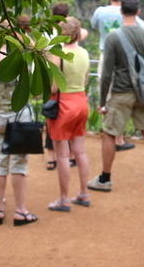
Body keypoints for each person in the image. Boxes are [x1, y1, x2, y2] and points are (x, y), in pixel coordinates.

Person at [88, 0, 144, 192]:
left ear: (121, 12)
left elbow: (107, 73)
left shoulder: (114, 37)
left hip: (121, 93)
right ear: (139, 12)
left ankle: (105, 178)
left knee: (110, 134)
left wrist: (102, 102)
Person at [0, 21, 38, 227]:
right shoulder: (19, 59)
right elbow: (35, 90)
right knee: (18, 164)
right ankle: (20, 211)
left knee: (0, 163)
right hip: (19, 118)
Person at [46, 17, 92, 211]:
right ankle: (83, 193)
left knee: (62, 154)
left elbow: (54, 86)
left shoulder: (58, 53)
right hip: (81, 101)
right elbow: (87, 77)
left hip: (63, 103)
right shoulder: (84, 53)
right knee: (80, 150)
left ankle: (64, 199)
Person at [91, 0, 143, 152]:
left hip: (105, 55)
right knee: (120, 95)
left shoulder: (100, 12)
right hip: (124, 59)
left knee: (106, 97)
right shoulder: (129, 15)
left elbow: (94, 25)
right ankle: (119, 138)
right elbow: (141, 27)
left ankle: (109, 135)